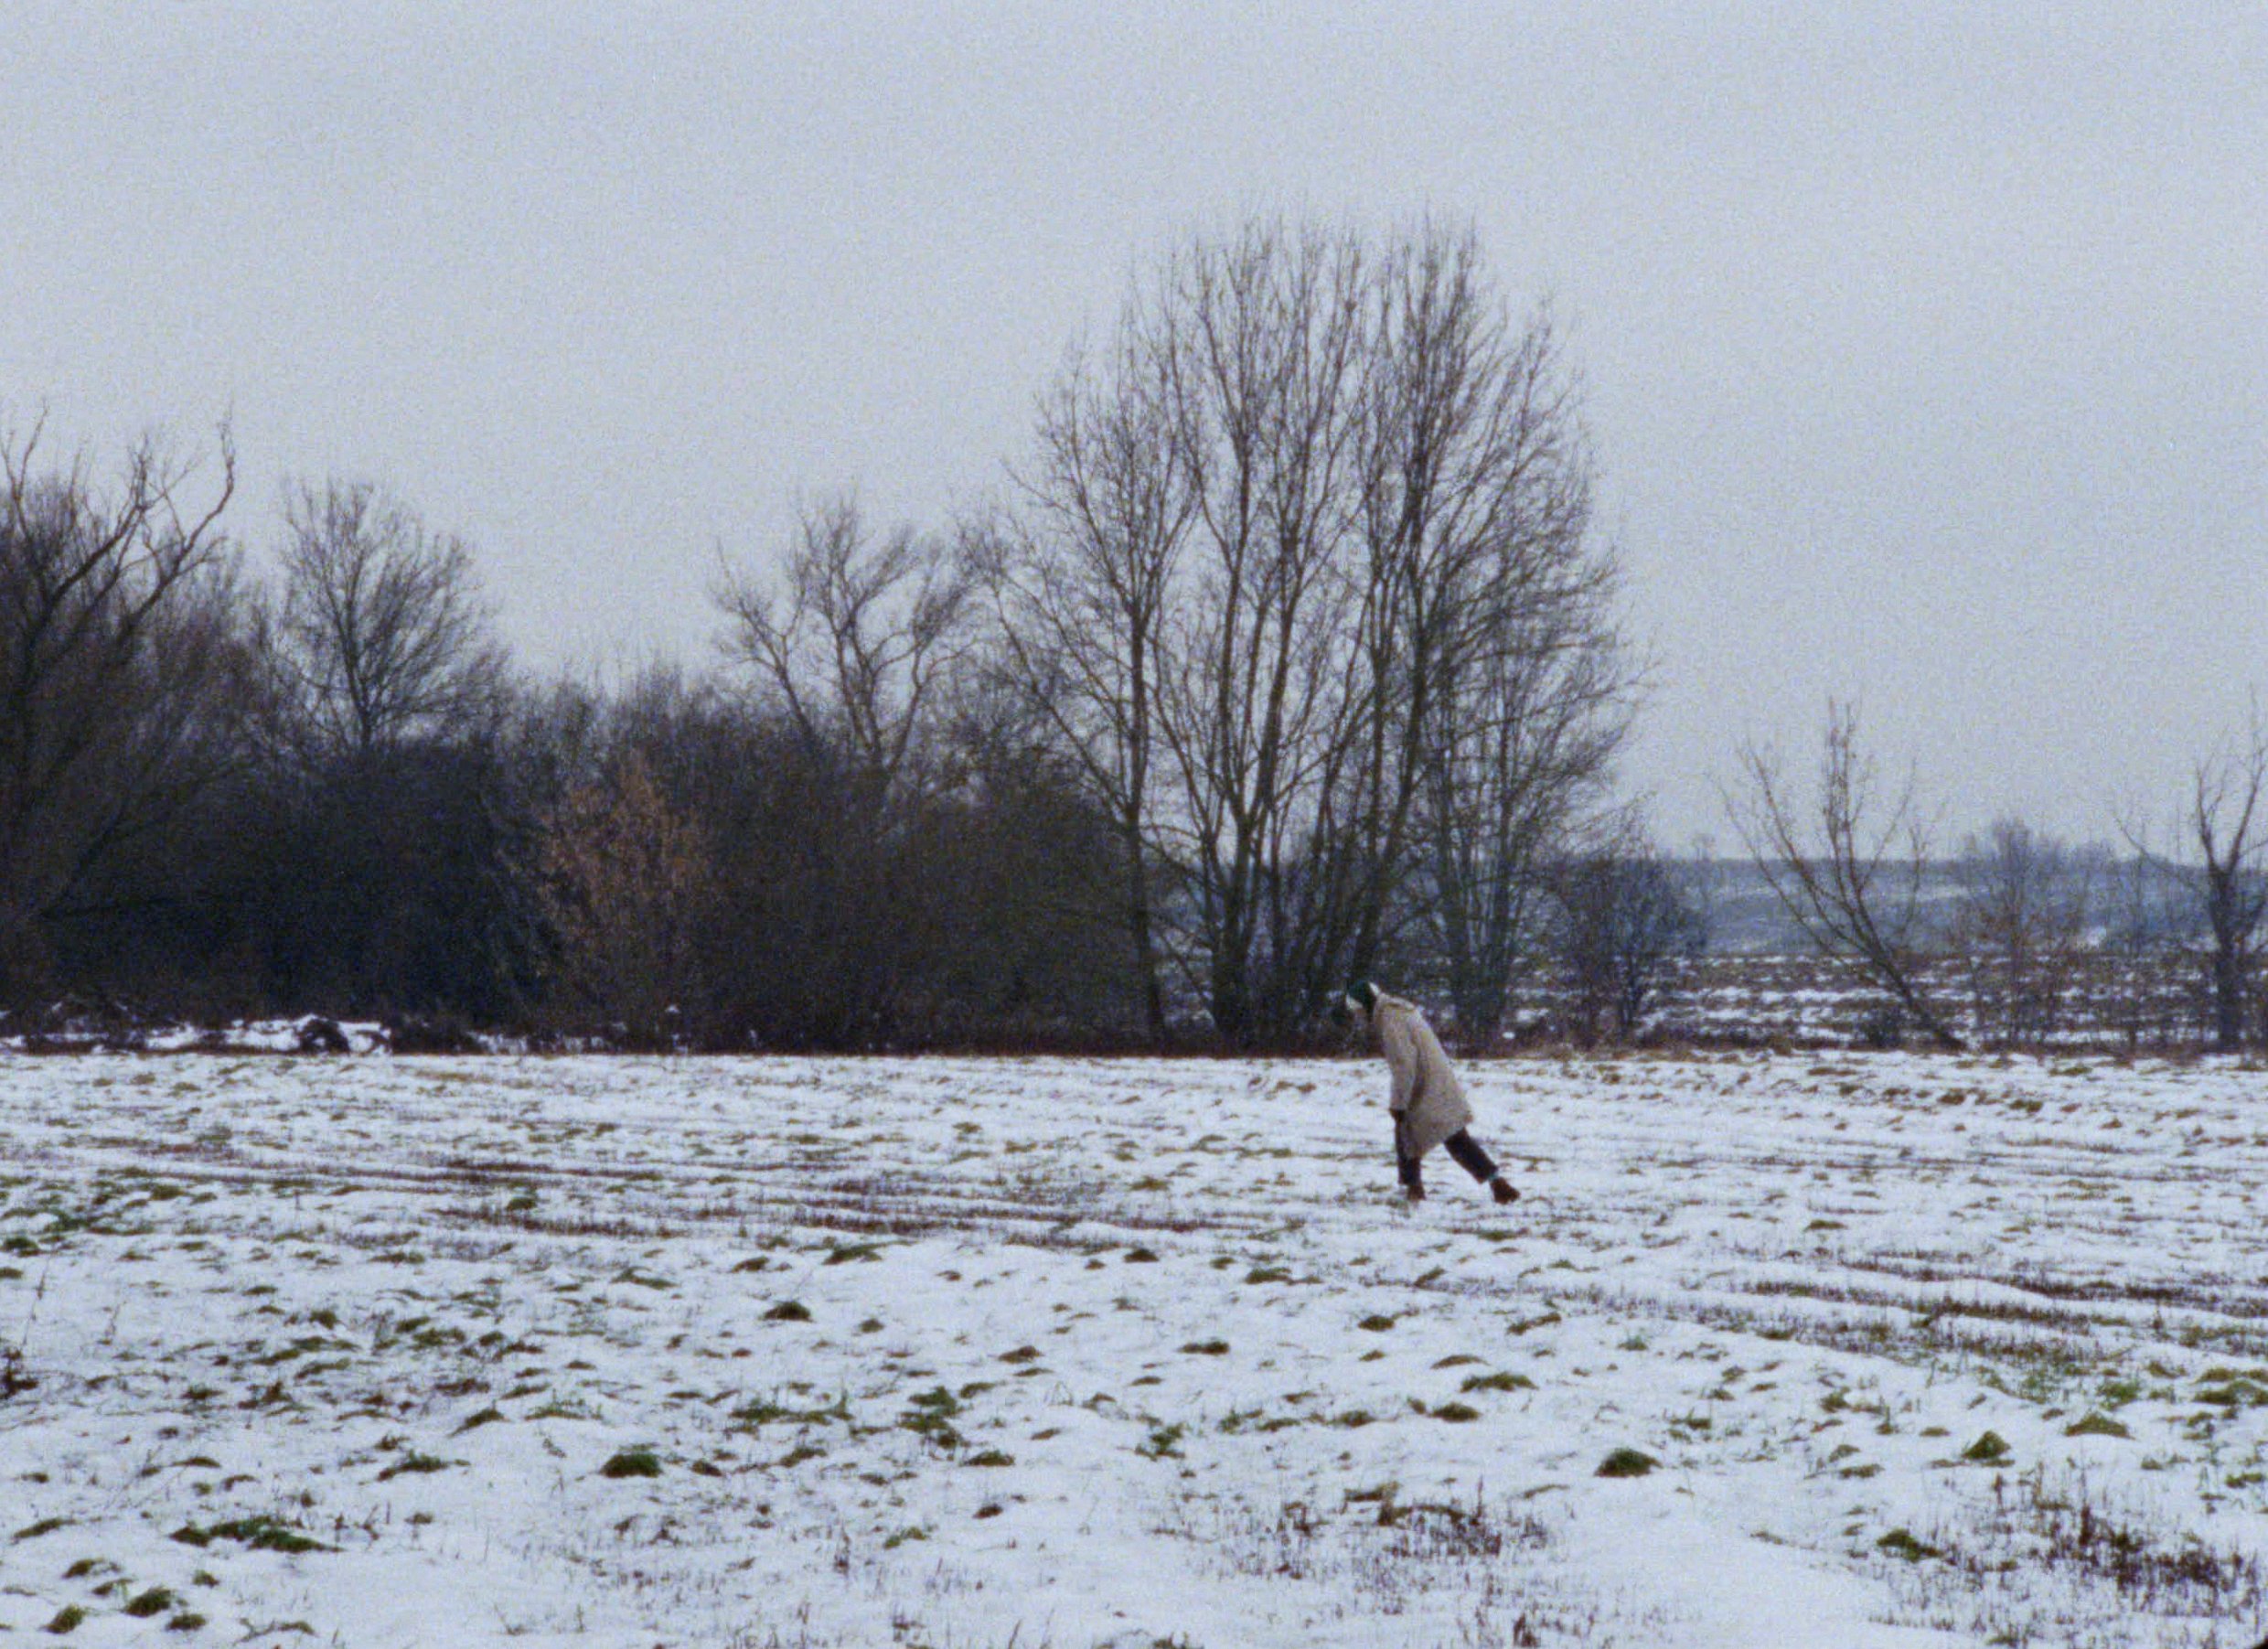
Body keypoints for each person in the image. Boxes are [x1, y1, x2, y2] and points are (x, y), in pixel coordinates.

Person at [1343, 980, 1518, 1205]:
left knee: (1408, 1132)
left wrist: (1398, 1103)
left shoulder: (1390, 1020)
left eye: (1357, 1011)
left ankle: (1413, 1190)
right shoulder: (1395, 1011)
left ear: (1366, 1005)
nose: (1358, 1017)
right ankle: (1498, 1184)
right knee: (1452, 1137)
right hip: (1436, 1084)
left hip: (1426, 1087)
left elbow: (1404, 1065)